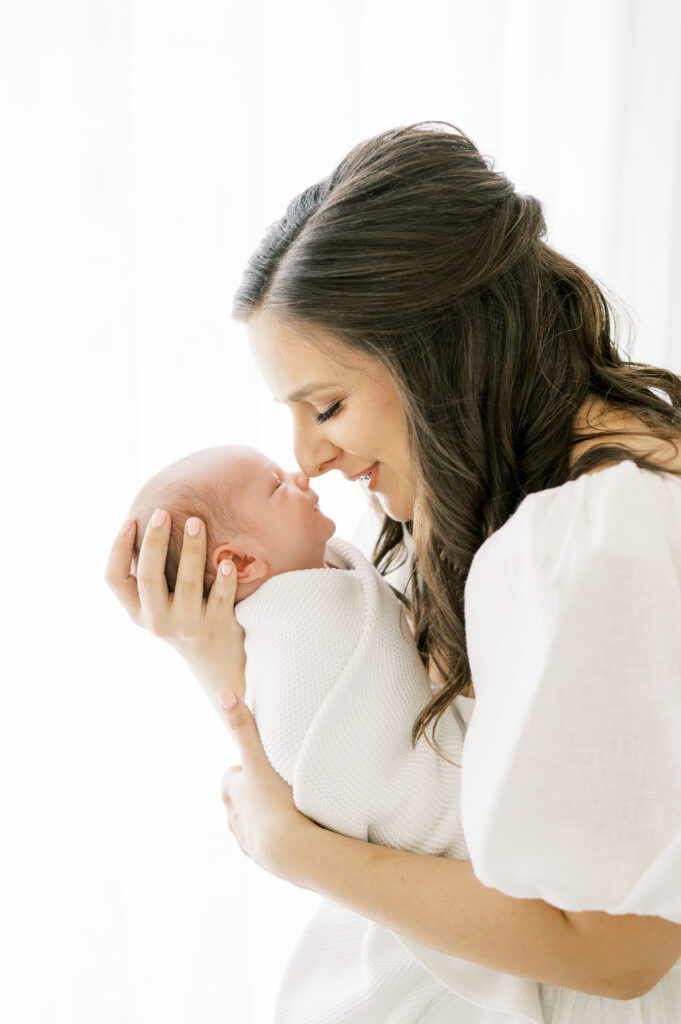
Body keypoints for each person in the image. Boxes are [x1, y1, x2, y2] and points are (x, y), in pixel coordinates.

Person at [106, 122, 681, 1021]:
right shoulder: (486, 494)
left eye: (326, 405)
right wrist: (214, 641)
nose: (308, 457)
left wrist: (292, 851)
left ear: (436, 351)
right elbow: (373, 752)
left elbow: (615, 948)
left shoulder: (597, 540)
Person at [128, 442, 536, 1020]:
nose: (302, 473)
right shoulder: (292, 635)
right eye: (276, 487)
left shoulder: (322, 593)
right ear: (240, 564)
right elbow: (318, 754)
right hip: (446, 833)